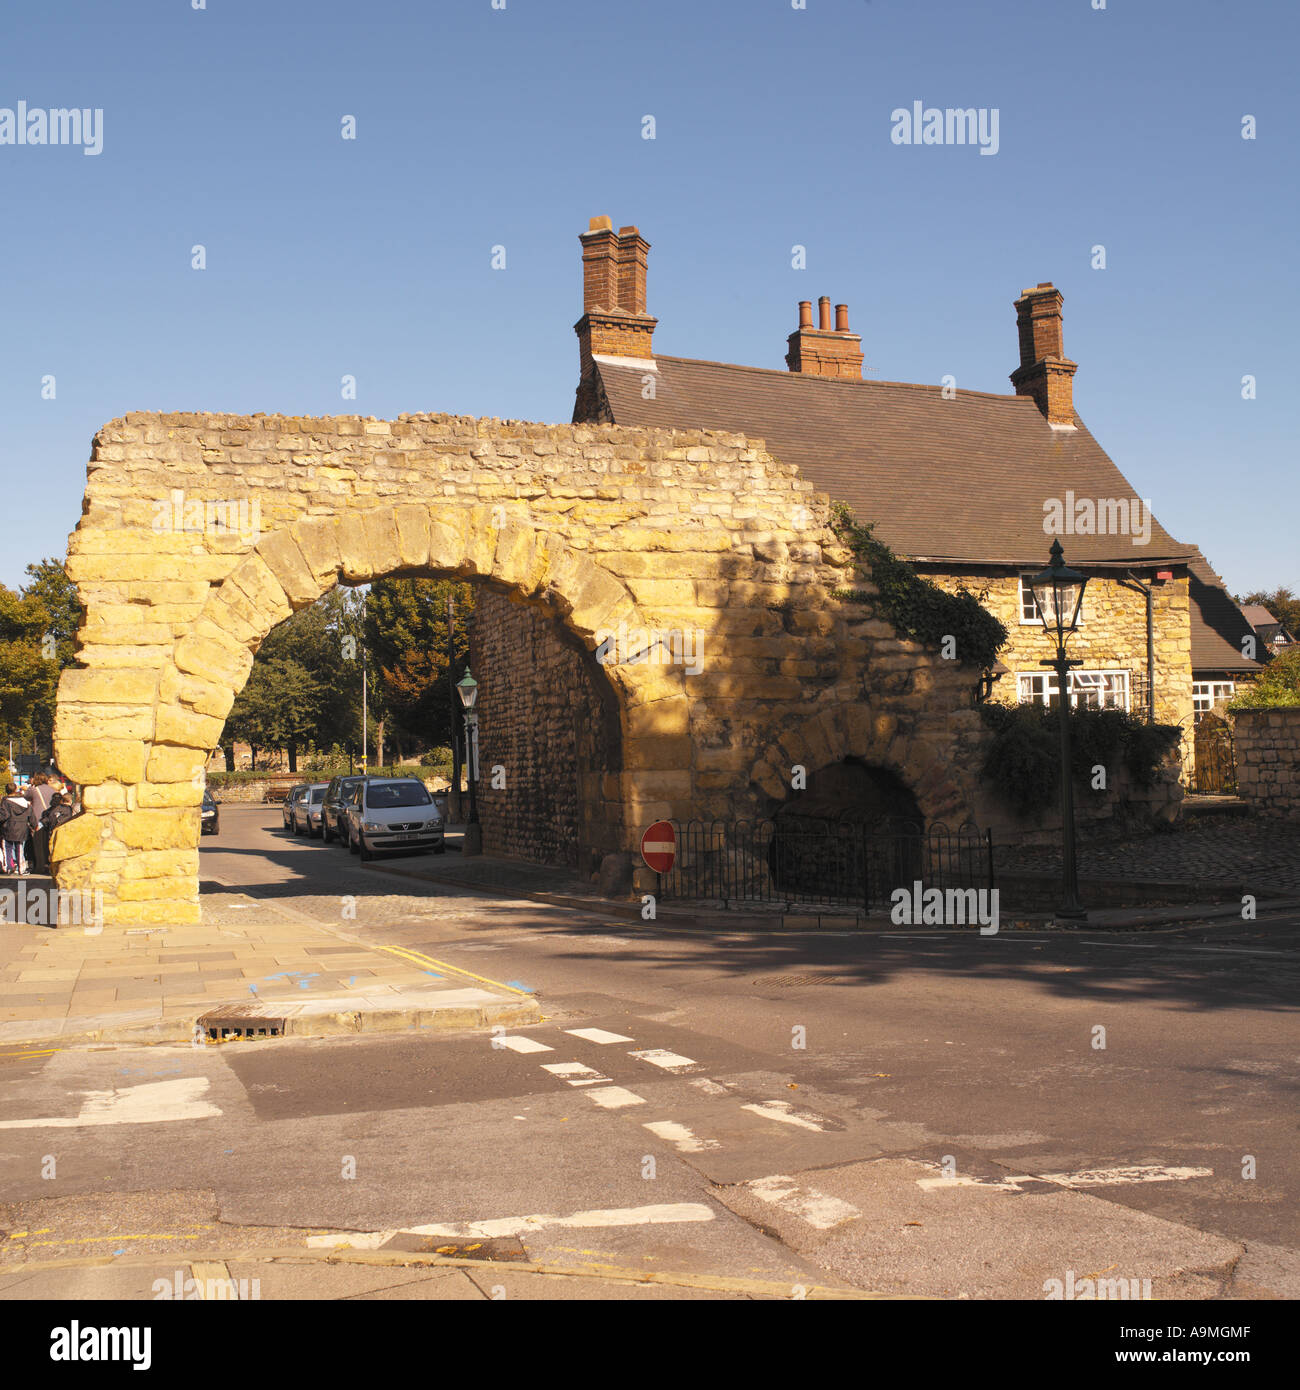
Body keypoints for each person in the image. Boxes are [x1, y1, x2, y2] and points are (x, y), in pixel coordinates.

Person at [1, 784, 35, 875]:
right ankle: (21, 869)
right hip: (22, 828)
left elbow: (4, 815)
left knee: (7, 848)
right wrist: (34, 825)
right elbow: (31, 815)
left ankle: (8, 867)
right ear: (16, 789)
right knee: (19, 849)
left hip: (8, 828)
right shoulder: (25, 802)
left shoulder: (5, 801)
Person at [26, 774, 55, 874]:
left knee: (38, 844)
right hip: (50, 819)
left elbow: (26, 796)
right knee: (48, 843)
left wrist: (31, 785)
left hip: (38, 819)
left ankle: (40, 866)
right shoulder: (53, 790)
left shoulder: (34, 790)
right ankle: (48, 865)